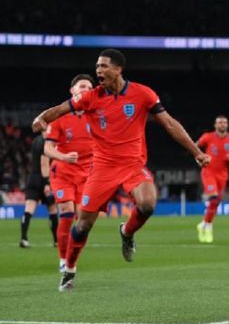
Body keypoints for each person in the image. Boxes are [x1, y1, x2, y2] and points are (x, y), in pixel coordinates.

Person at [32, 49, 210, 291]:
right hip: (102, 168)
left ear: (118, 69)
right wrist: (42, 118)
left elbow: (169, 123)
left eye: (103, 66)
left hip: (133, 165)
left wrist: (196, 152)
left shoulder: (143, 94)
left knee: (147, 204)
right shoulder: (91, 97)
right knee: (83, 224)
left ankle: (126, 232)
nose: (98, 71)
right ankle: (69, 270)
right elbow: (60, 109)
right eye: (97, 66)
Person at [43, 74, 94, 272]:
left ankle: (72, 261)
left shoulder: (96, 115)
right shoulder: (60, 116)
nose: (86, 90)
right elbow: (48, 149)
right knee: (67, 213)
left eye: (89, 87)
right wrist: (63, 157)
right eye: (82, 86)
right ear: (72, 91)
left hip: (88, 176)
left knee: (84, 222)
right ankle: (63, 260)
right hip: (63, 172)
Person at [196, 115, 229, 243]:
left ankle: (204, 224)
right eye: (219, 122)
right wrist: (199, 157)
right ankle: (209, 226)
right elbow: (195, 147)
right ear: (215, 125)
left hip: (223, 174)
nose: (222, 124)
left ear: (227, 125)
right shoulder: (207, 137)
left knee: (216, 202)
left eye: (224, 122)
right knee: (213, 197)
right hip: (208, 172)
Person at [20, 130, 58, 248]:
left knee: (29, 209)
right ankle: (56, 241)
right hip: (43, 178)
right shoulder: (46, 142)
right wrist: (47, 182)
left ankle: (23, 238)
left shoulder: (36, 140)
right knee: (52, 210)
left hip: (32, 178)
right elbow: (44, 163)